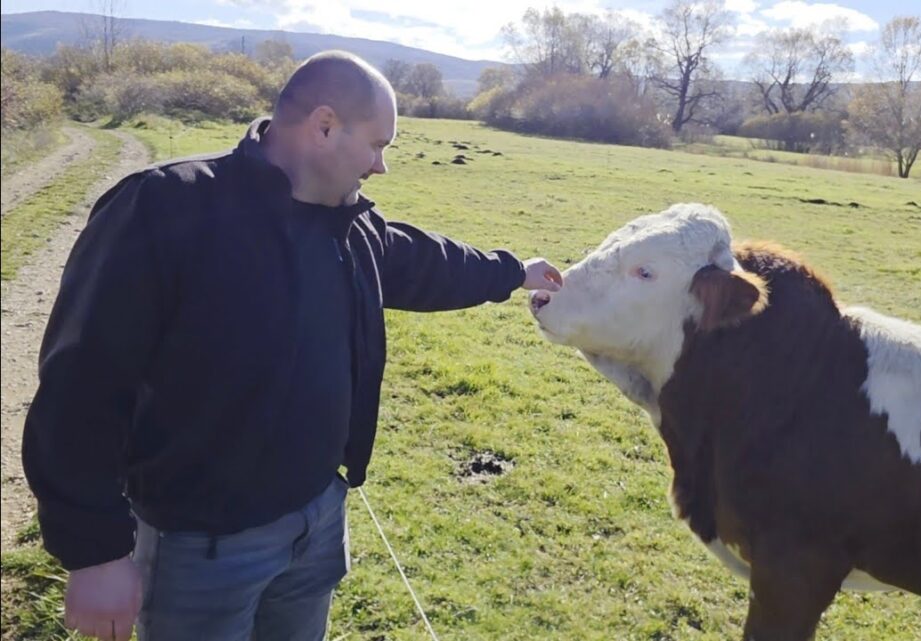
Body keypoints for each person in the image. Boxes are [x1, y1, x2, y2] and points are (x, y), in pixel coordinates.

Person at [22, 50, 562, 641]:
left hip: (318, 520)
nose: (382, 167)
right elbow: (82, 384)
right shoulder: (165, 208)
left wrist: (514, 272)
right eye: (379, 145)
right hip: (200, 548)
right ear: (324, 125)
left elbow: (427, 263)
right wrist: (95, 553)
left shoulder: (352, 227)